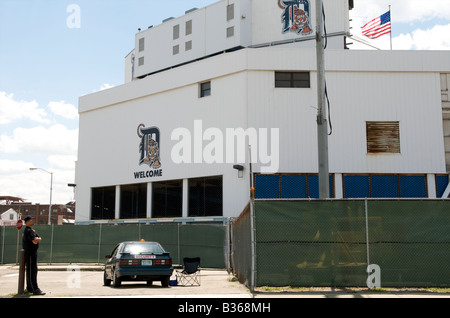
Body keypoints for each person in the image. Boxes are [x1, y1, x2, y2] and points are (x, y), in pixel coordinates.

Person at [22, 216, 45, 295]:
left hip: (33, 253)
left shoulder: (32, 230)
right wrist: (37, 239)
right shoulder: (28, 231)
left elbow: (39, 238)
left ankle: (30, 288)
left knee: (32, 270)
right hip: (30, 253)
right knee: (32, 271)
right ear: (27, 222)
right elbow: (35, 241)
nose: (33, 221)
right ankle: (35, 289)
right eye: (31, 220)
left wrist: (38, 239)